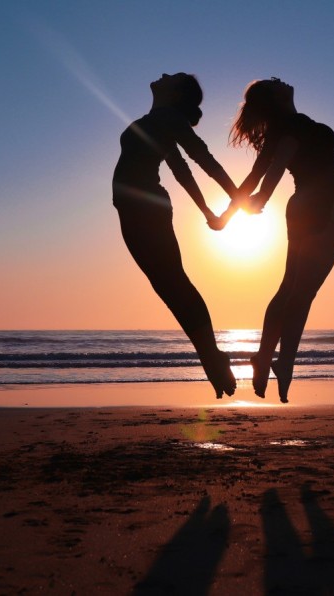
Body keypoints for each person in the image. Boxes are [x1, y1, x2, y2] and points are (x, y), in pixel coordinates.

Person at [112, 73, 240, 398]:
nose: (164, 75)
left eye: (173, 77)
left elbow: (202, 158)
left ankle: (212, 357)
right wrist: (207, 211)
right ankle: (210, 356)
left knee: (173, 283)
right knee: (168, 285)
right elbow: (179, 168)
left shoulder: (169, 118)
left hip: (144, 208)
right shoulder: (157, 120)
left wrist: (235, 195)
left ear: (176, 93)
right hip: (133, 207)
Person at [225, 78, 334, 402]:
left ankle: (265, 358)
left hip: (308, 208)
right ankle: (285, 363)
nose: (283, 80)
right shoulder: (292, 126)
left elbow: (255, 175)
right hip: (319, 210)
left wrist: (229, 214)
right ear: (276, 98)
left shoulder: (285, 128)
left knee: (289, 288)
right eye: (275, 82)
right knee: (302, 294)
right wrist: (260, 199)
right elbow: (273, 171)